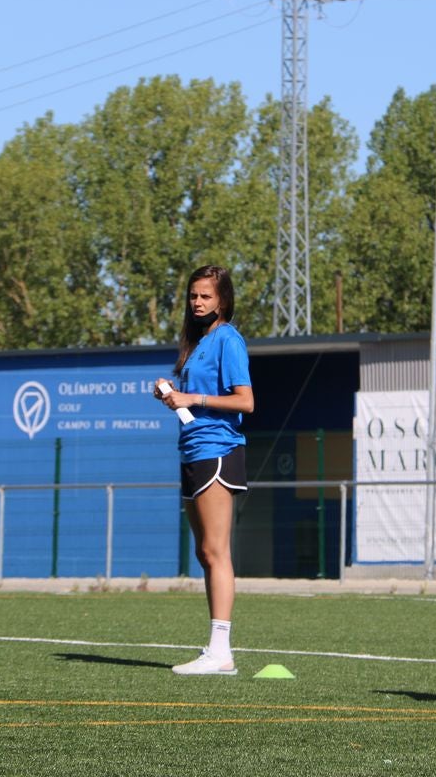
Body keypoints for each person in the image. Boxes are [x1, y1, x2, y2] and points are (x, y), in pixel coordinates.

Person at [154, 265, 254, 676]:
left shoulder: (229, 340)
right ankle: (216, 649)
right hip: (192, 449)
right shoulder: (198, 344)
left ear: (223, 300)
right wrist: (171, 396)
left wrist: (192, 397)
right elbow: (192, 402)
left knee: (216, 551)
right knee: (203, 552)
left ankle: (220, 651)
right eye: (193, 296)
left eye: (206, 296)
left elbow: (246, 402)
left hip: (218, 450)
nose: (198, 302)